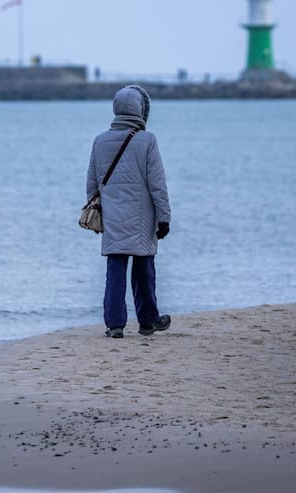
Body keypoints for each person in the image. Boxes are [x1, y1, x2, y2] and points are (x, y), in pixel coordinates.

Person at [86, 85, 172, 338]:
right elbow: (157, 184)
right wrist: (164, 217)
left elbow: (92, 184)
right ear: (140, 110)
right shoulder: (147, 140)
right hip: (142, 217)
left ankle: (114, 325)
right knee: (144, 269)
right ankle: (148, 321)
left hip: (112, 216)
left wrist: (97, 213)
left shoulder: (99, 141)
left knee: (115, 269)